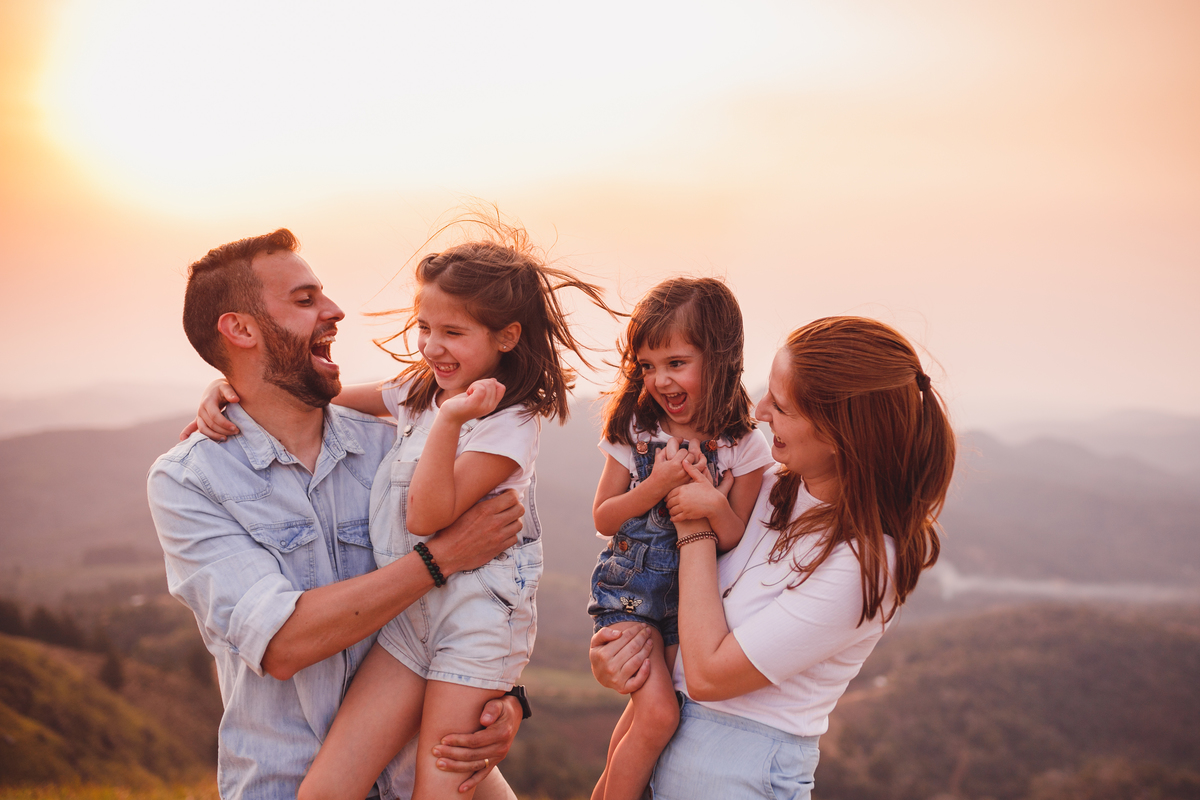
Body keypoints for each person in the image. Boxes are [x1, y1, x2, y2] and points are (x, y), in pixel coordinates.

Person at [148, 229, 528, 800]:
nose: (335, 311)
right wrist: (439, 559)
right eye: (305, 300)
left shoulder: (397, 449)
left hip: (419, 779)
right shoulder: (190, 481)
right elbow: (281, 643)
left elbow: (487, 588)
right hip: (287, 785)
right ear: (241, 329)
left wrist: (504, 698)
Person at [295, 226, 618, 800]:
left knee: (440, 789)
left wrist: (447, 422)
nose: (431, 346)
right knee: (323, 791)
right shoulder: (420, 389)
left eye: (452, 332)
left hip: (474, 626)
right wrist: (233, 393)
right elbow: (326, 398)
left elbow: (426, 514)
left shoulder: (509, 423)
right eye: (424, 327)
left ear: (506, 337)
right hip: (407, 620)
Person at [591, 316, 955, 799]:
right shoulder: (764, 487)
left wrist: (694, 527)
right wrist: (624, 653)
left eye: (780, 406)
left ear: (839, 432)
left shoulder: (866, 563)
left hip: (739, 780)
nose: (760, 412)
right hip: (658, 758)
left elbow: (707, 676)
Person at [587, 278, 774, 800]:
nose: (659, 380)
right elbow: (604, 517)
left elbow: (734, 538)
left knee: (643, 718)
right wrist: (660, 483)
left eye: (675, 363)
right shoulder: (637, 429)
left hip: (689, 608)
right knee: (659, 716)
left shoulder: (744, 445)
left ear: (720, 359)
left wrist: (713, 504)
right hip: (630, 592)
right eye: (647, 366)